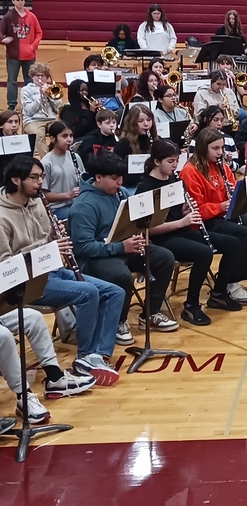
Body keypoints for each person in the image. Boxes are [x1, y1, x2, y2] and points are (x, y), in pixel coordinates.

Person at [0, 155, 121, 389]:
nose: (40, 183)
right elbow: (6, 266)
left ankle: (99, 354)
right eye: (34, 178)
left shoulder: (36, 201)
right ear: (16, 179)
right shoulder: (2, 216)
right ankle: (84, 357)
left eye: (41, 177)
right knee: (87, 292)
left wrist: (55, 237)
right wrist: (46, 248)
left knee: (114, 292)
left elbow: (44, 238)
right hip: (25, 282)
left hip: (52, 269)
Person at [68, 150, 176, 345]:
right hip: (95, 259)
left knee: (164, 257)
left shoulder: (121, 193)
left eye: (121, 178)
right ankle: (119, 321)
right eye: (115, 178)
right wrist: (121, 247)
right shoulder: (83, 206)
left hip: (121, 248)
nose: (120, 182)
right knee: (121, 275)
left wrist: (140, 232)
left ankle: (150, 314)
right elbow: (83, 247)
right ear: (98, 178)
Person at [132, 140, 219, 327]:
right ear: (157, 162)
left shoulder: (175, 181)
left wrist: (186, 212)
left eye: (176, 161)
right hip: (159, 239)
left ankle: (220, 292)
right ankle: (191, 304)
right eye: (171, 161)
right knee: (203, 253)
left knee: (217, 244)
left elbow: (177, 213)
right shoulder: (145, 188)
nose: (175, 166)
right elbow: (145, 229)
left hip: (180, 231)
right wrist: (181, 222)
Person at [180, 128, 247, 302]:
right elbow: (197, 210)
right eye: (215, 148)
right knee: (243, 234)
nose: (220, 153)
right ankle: (230, 283)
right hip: (204, 222)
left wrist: (235, 194)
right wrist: (221, 206)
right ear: (203, 148)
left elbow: (233, 191)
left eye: (221, 148)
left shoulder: (222, 167)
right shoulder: (190, 172)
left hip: (222, 216)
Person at [1, 0, 43, 108]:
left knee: (30, 80)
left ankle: (29, 103)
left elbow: (39, 33)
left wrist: (33, 46)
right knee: (12, 81)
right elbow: (1, 32)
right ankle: (12, 104)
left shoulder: (32, 16)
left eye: (22, 0)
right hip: (13, 55)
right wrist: (3, 39)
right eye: (18, 0)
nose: (21, 2)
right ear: (13, 1)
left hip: (29, 55)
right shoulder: (8, 17)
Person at [41, 121, 84, 220]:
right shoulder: (46, 162)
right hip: (57, 208)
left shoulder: (75, 157)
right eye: (64, 136)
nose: (69, 140)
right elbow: (43, 195)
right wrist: (68, 195)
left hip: (76, 204)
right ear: (52, 139)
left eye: (71, 136)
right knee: (80, 217)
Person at [20, 62, 62, 154]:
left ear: (46, 77)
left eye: (42, 75)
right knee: (38, 136)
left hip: (51, 119)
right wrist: (40, 96)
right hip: (33, 120)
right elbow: (28, 111)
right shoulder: (26, 90)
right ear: (32, 76)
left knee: (61, 132)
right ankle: (47, 161)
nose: (39, 78)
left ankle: (55, 154)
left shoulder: (52, 88)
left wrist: (49, 95)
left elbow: (58, 107)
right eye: (37, 75)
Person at [112, 104, 156, 191]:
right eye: (140, 121)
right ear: (132, 122)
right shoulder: (123, 144)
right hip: (131, 186)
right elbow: (118, 172)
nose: (146, 124)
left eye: (149, 120)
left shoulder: (154, 140)